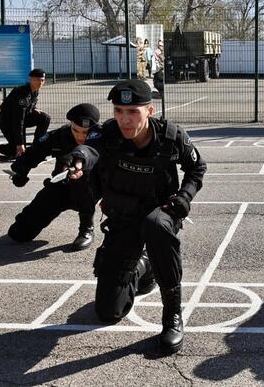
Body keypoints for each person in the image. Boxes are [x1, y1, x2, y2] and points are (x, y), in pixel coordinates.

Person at [67, 79, 206, 355]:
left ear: (149, 111)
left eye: (133, 112)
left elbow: (197, 168)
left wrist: (184, 197)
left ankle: (172, 315)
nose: (125, 119)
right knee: (108, 312)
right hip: (123, 216)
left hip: (161, 212)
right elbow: (89, 150)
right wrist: (78, 159)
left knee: (155, 226)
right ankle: (145, 265)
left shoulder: (171, 136)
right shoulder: (107, 133)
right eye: (119, 111)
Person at [7, 103, 101, 251]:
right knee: (18, 233)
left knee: (82, 180)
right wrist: (20, 172)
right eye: (76, 130)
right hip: (61, 185)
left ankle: (86, 228)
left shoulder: (102, 137)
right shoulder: (60, 135)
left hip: (90, 188)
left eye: (85, 132)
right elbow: (34, 152)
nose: (80, 136)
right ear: (70, 124)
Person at [0, 69, 50, 159]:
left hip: (21, 119)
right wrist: (20, 143)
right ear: (30, 79)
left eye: (42, 80)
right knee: (16, 151)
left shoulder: (34, 90)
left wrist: (34, 108)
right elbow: (18, 120)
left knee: (45, 118)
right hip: (8, 122)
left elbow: (29, 105)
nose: (40, 83)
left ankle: (37, 146)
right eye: (37, 80)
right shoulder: (22, 94)